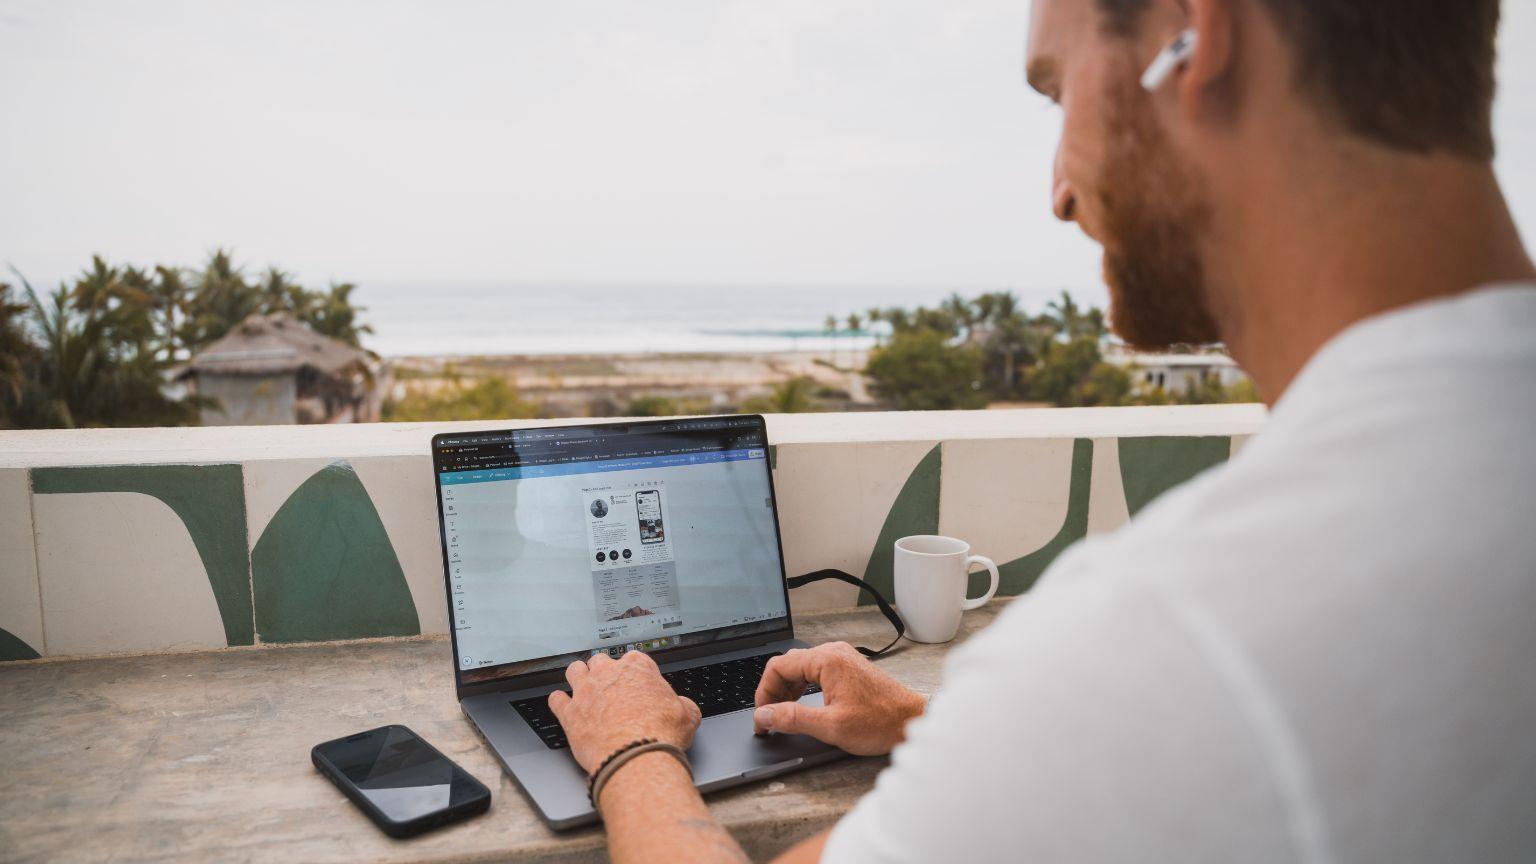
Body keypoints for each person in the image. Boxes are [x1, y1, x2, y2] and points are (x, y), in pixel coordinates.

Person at [548, 0, 1536, 860]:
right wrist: (958, 734)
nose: (1059, 192)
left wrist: (633, 749)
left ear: (1193, 38)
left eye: (1059, 93)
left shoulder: (1177, 629)